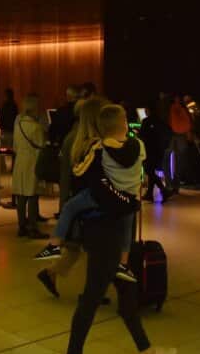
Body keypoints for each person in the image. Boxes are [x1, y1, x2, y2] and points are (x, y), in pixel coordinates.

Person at [59, 109, 175, 354]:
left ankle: (147, 353)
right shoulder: (114, 156)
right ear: (122, 125)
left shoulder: (97, 154)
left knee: (126, 292)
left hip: (101, 232)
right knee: (92, 296)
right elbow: (117, 201)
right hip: (105, 235)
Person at [34, 105, 142, 283]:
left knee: (82, 252)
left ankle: (54, 273)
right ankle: (93, 293)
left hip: (89, 205)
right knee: (96, 254)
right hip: (99, 207)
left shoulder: (80, 142)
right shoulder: (100, 145)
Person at [37, 96, 105, 299]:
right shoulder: (85, 141)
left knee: (77, 247)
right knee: (94, 248)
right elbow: (69, 175)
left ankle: (51, 273)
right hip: (86, 203)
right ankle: (93, 291)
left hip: (78, 201)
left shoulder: (73, 137)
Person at [11, 94, 46, 239]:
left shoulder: (18, 125)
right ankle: (33, 227)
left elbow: (15, 147)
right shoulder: (36, 127)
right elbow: (41, 148)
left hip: (20, 162)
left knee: (21, 196)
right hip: (32, 162)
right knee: (32, 195)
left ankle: (21, 226)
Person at [139, 100, 173, 202]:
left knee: (149, 171)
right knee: (151, 171)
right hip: (159, 150)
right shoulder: (161, 121)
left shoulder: (146, 121)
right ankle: (150, 193)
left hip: (149, 150)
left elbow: (142, 136)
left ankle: (164, 190)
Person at [167, 94, 193, 185]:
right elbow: (186, 121)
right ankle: (175, 182)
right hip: (179, 136)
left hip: (176, 135)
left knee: (176, 160)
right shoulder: (179, 108)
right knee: (179, 160)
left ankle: (174, 182)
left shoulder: (173, 107)